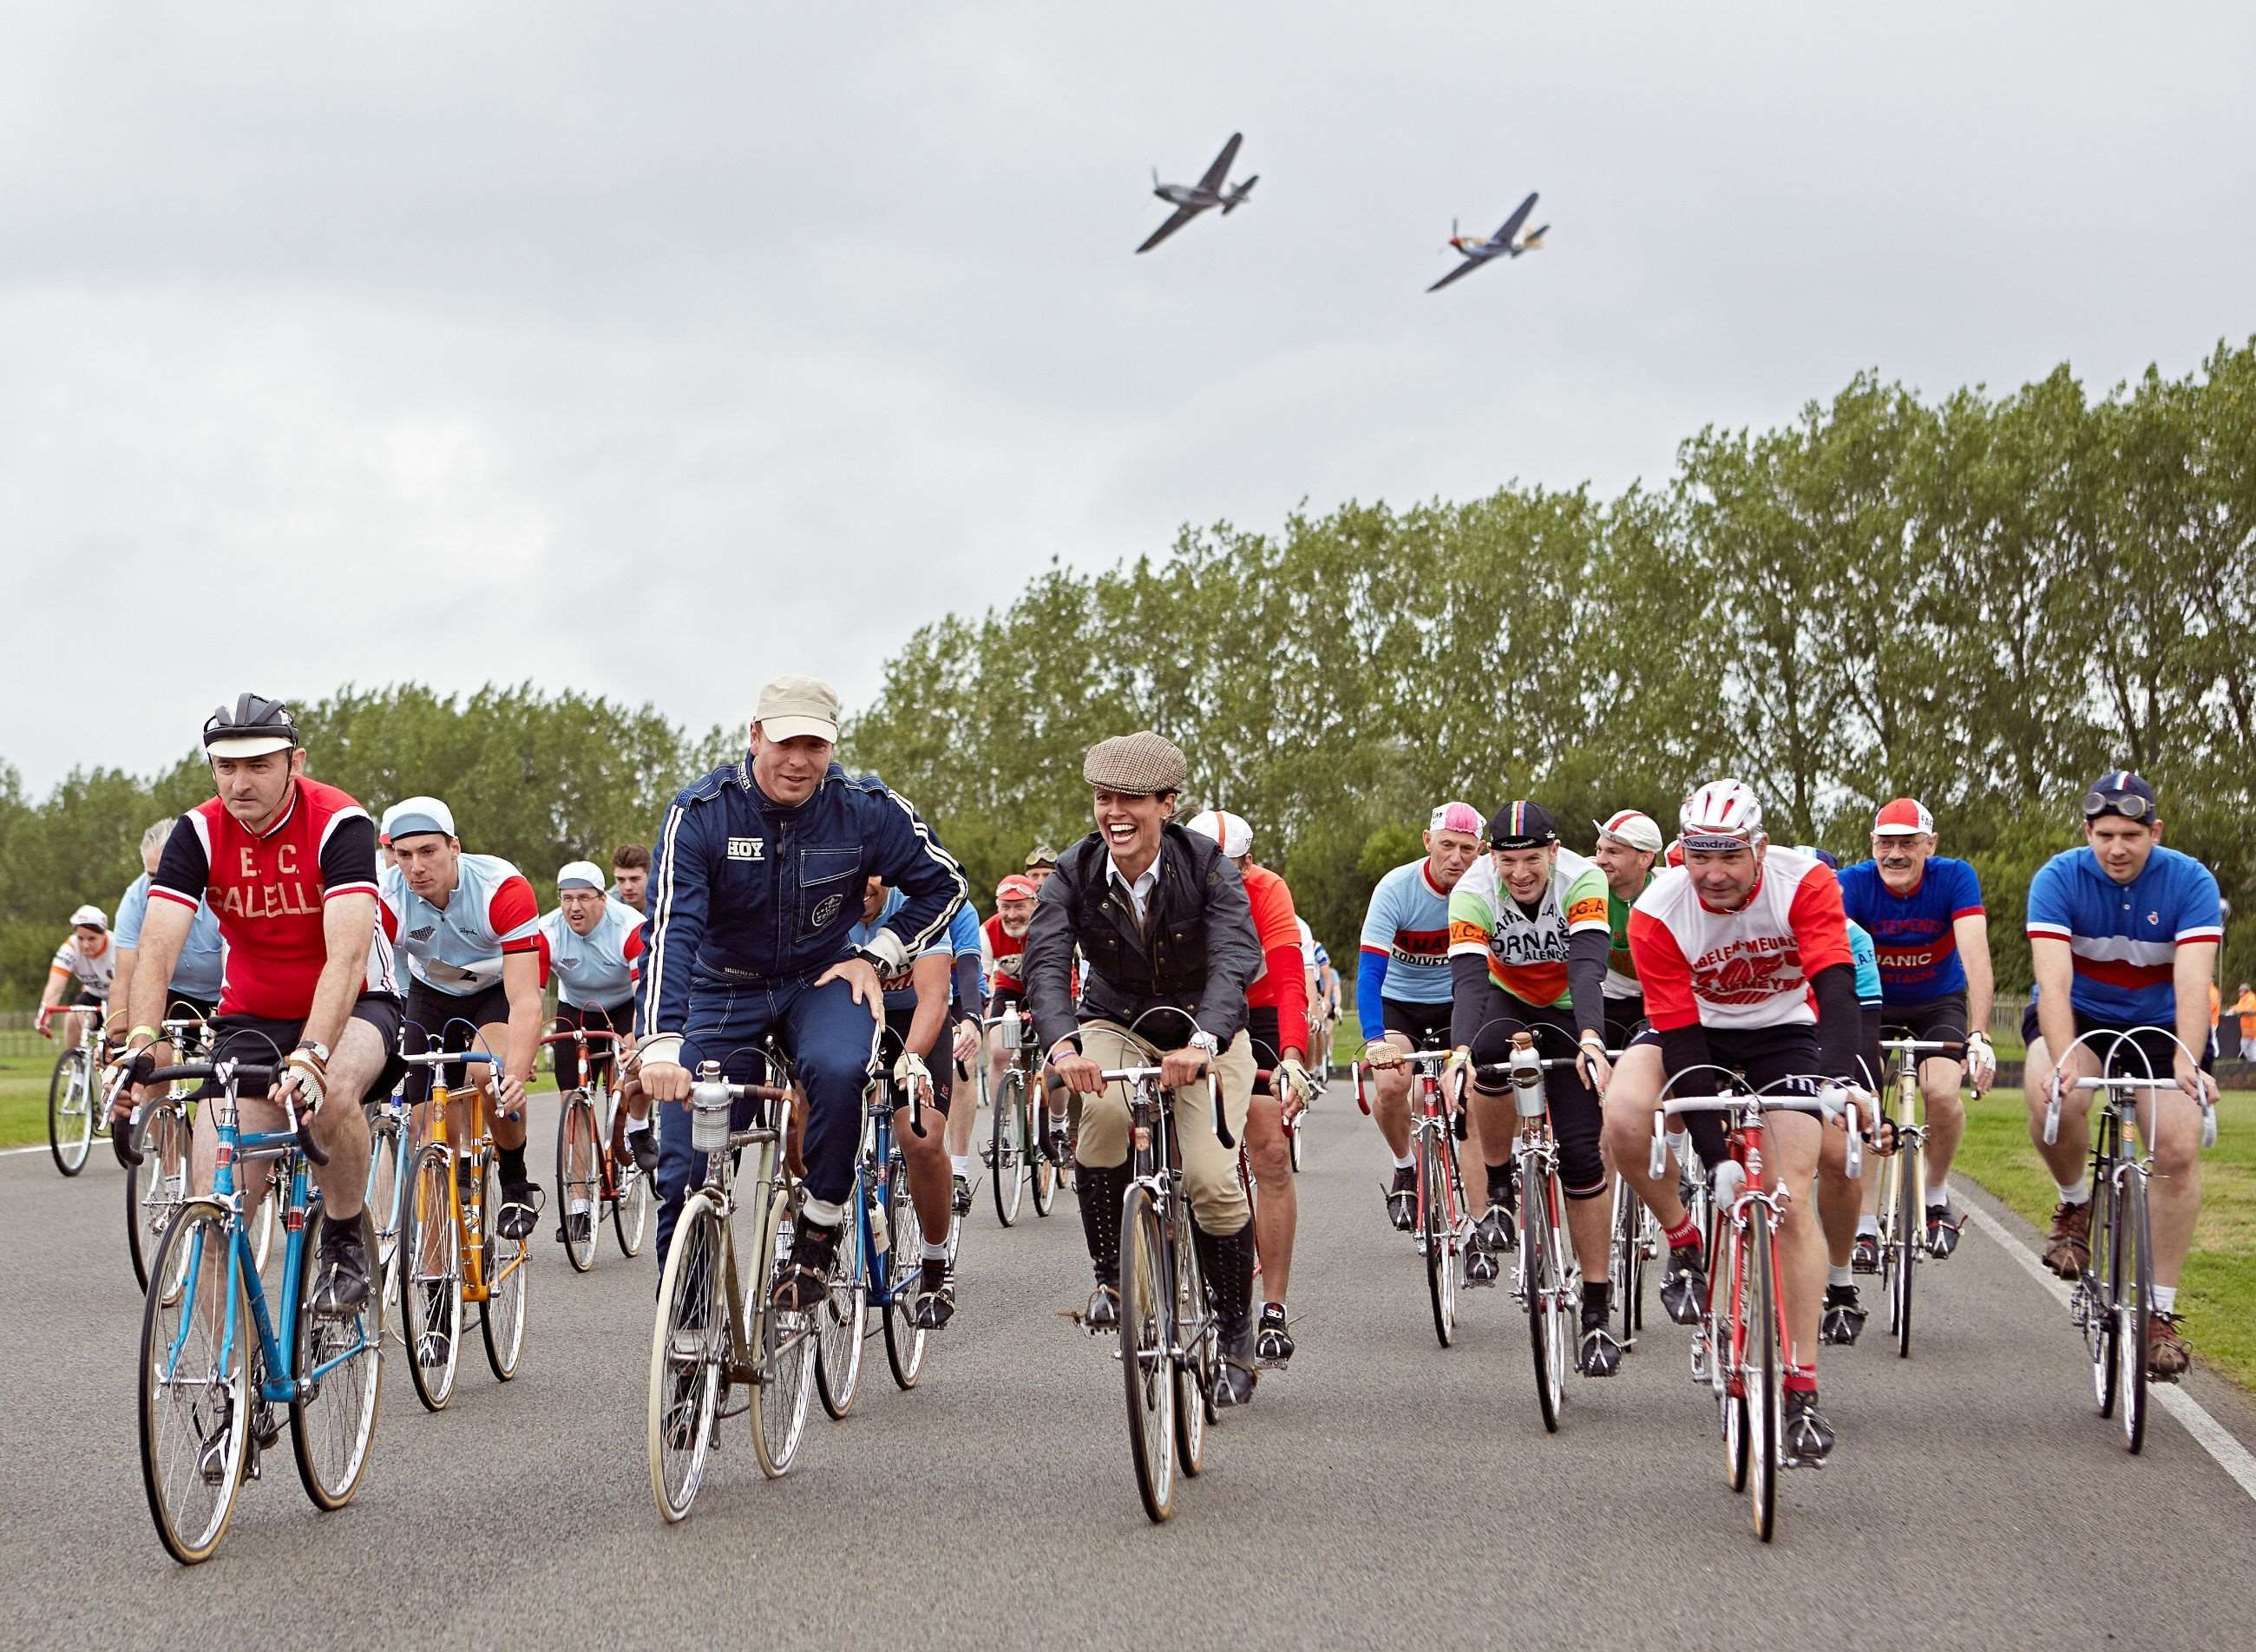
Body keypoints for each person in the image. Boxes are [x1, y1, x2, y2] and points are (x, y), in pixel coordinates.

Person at [634, 674, 966, 1308]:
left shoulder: (864, 807)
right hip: (720, 990)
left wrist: (879, 953)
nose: (798, 760)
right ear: (755, 735)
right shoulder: (701, 813)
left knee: (840, 1068)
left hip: (820, 979)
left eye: (815, 746)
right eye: (785, 743)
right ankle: (690, 1326)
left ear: (832, 748)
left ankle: (818, 1229)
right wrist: (658, 1043)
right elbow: (671, 933)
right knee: (686, 1166)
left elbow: (945, 885)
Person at [1597, 780, 1872, 1459]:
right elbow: (1682, 1037)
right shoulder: (1657, 911)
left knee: (1789, 1195)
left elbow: (1836, 986)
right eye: (1699, 856)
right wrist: (1717, 1158)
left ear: (1760, 848)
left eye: (1729, 856)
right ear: (1680, 853)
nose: (1713, 874)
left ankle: (1802, 1388)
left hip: (1785, 1032)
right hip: (1694, 1035)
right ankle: (1685, 1238)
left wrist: (1838, 1079)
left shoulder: (1803, 882)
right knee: (1626, 1116)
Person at [110, 694, 402, 1317]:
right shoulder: (197, 831)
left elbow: (347, 958)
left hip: (355, 1002)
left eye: (258, 766)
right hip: (252, 1016)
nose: (239, 782)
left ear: (295, 762)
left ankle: (347, 1239)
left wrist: (313, 1056)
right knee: (215, 1207)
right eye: (225, 767)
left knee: (328, 1095)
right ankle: (233, 1395)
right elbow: (155, 951)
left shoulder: (338, 821)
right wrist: (138, 1039)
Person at [1021, 731, 1265, 1405]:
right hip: (1115, 1022)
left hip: (1203, 1031)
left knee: (1214, 1183)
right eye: (1104, 799)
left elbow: (1236, 957)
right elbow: (1045, 962)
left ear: (1168, 803)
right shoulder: (1073, 871)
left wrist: (1207, 1041)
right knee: (1098, 1113)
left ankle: (1236, 1329)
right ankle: (1110, 1278)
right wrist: (1063, 1048)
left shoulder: (1209, 864)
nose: (1115, 813)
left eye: (1132, 799)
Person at [2023, 771, 2221, 1380]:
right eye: (2104, 834)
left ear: (2154, 832)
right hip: (2083, 1022)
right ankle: (2075, 1206)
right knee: (2049, 1096)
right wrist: (2061, 1061)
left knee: (2180, 1147)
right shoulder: (2057, 878)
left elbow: (2192, 984)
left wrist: (2188, 1060)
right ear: (2087, 832)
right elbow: (2054, 985)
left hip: (2163, 1030)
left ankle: (2159, 1312)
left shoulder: (2190, 881)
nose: (2117, 848)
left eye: (2131, 835)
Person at [1445, 800, 1622, 1374]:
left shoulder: (1584, 879)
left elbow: (1588, 967)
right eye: (1508, 861)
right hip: (1506, 996)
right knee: (1489, 1057)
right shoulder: (1473, 890)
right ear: (1492, 857)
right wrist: (1460, 1053)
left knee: (1580, 1154)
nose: (1520, 873)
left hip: (1571, 1006)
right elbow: (1469, 982)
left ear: (1554, 851)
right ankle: (1498, 1188)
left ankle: (1596, 1308)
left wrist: (1592, 1039)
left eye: (1532, 860)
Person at [1836, 797, 1997, 1262]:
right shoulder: (1854, 884)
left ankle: (1935, 1196)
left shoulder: (1954, 878)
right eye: (1885, 843)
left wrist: (1980, 1034)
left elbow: (1975, 955)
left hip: (1937, 1002)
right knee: (1862, 1102)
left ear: (1931, 844)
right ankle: (1865, 1224)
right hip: (1873, 1003)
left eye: (1908, 843)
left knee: (1943, 1092)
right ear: (1872, 845)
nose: (1895, 854)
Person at [378, 796, 546, 1240]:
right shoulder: (387, 897)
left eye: (428, 851)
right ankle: (440, 1268)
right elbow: (373, 980)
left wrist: (514, 1070)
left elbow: (526, 999)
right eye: (404, 855)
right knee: (427, 1129)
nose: (416, 866)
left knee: (486, 1073)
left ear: (454, 847)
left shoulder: (501, 887)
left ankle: (515, 1179)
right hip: (430, 995)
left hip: (495, 994)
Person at [1186, 809, 1318, 1367]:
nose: (1223, 880)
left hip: (1257, 1009)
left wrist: (1290, 1056)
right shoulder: (1170, 881)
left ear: (1249, 863)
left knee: (1269, 1149)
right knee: (1185, 1150)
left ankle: (1273, 1309)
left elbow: (1289, 976)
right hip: (1193, 1009)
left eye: (1233, 870)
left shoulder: (1267, 891)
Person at [1357, 802, 1484, 1231]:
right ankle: (1405, 1166)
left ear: (1481, 850)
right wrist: (1375, 1041)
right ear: (1427, 841)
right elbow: (1370, 972)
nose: (1456, 858)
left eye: (1467, 849)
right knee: (1392, 1085)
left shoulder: (1485, 887)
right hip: (1400, 1003)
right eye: (1447, 845)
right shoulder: (1396, 888)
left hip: (1458, 1002)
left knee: (1472, 1090)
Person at [850, 875, 964, 1327]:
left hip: (916, 1021)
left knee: (920, 1135)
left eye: (871, 878)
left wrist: (913, 1059)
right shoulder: (825, 898)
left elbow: (935, 997)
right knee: (800, 1119)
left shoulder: (918, 902)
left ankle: (936, 1266)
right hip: (856, 1017)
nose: (862, 888)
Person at [539, 860, 654, 1243]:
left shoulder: (627, 927)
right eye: (567, 898)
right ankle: (578, 1208)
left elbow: (646, 991)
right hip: (576, 1007)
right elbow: (530, 993)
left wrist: (635, 1039)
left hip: (624, 1004)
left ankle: (637, 1126)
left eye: (584, 898)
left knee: (640, 1064)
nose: (575, 907)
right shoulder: (548, 931)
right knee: (573, 1104)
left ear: (603, 899)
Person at [113, 817, 227, 1028]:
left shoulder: (217, 893)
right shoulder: (134, 899)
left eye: (168, 873)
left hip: (225, 990)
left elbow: (233, 968)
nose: (160, 884)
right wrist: (117, 1040)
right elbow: (123, 980)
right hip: (177, 991)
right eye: (152, 876)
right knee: (155, 1050)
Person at [1590, 810, 1662, 1048]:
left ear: (1645, 858)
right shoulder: (1585, 882)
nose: (1601, 859)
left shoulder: (1669, 890)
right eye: (1599, 849)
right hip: (1608, 999)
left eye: (1613, 852)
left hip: (1660, 1000)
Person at [38, 904, 118, 1046]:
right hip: (94, 995)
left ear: (104, 934)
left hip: (120, 996)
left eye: (92, 939)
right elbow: (55, 987)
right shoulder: (70, 948)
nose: (85, 945)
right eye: (81, 938)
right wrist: (44, 1015)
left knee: (116, 1031)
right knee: (72, 1018)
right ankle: (76, 1063)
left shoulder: (117, 947)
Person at [610, 842, 650, 913]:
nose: (628, 887)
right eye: (620, 879)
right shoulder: (608, 905)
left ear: (649, 876)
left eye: (634, 879)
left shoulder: (668, 900)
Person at [2235, 981, 2256, 1063]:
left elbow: (2247, 1010)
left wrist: (2237, 1010)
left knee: (2245, 1047)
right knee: (2250, 1050)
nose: (2240, 993)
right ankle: (2253, 1065)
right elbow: (2239, 1007)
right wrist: (2234, 1009)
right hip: (2247, 1031)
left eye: (2241, 991)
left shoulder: (2251, 999)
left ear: (2246, 991)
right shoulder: (2243, 999)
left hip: (2251, 1029)